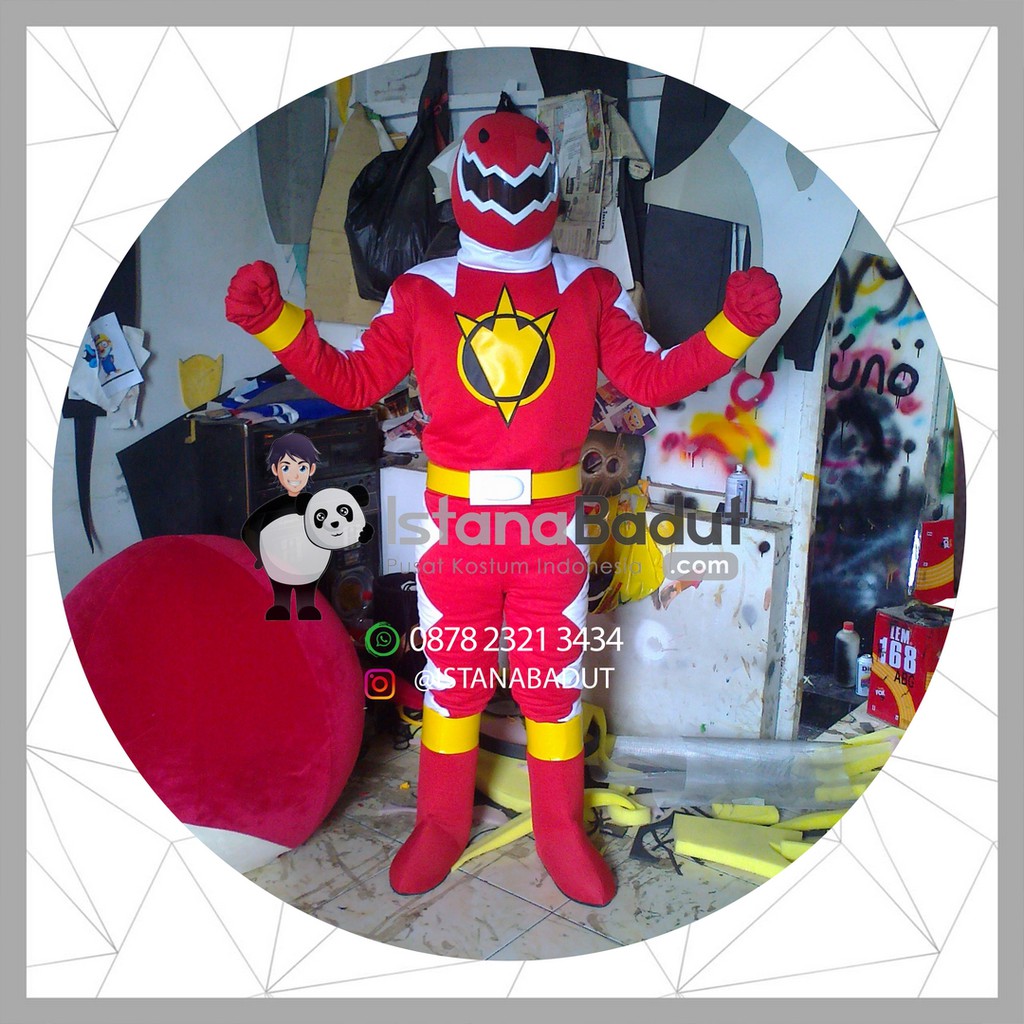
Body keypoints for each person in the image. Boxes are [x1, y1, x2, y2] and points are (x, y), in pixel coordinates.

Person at [226, 111, 781, 906]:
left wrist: (731, 330)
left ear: (551, 187)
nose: (511, 193)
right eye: (494, 181)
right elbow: (354, 381)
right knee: (453, 684)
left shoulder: (588, 289)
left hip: (548, 539)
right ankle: (440, 823)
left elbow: (653, 379)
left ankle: (560, 830)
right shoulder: (422, 291)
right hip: (460, 538)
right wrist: (275, 322)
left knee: (555, 689)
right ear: (463, 186)